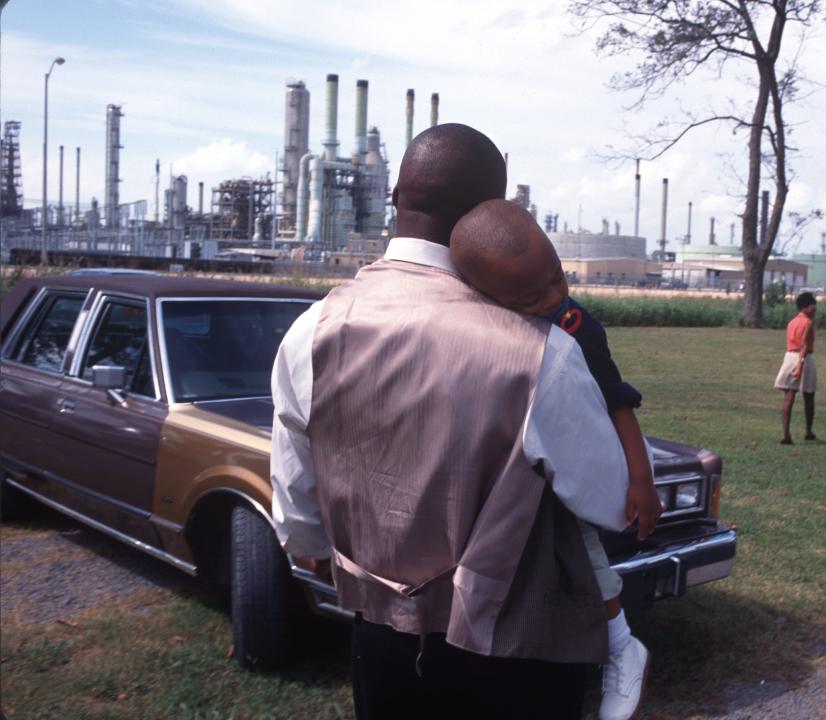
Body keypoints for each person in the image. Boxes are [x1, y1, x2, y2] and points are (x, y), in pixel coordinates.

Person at [270, 124, 649, 720]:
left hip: (382, 641)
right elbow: (605, 500)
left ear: (395, 197)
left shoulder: (311, 331)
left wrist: (321, 549)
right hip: (519, 651)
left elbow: (297, 501)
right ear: (491, 212)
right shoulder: (541, 351)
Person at [449, 198, 661, 720]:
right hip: (506, 472)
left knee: (583, 549)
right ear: (484, 295)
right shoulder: (478, 324)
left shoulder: (575, 325)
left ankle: (620, 644)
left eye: (557, 278)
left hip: (567, 464)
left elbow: (618, 401)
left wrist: (641, 480)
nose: (553, 297)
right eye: (531, 296)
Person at [774, 292, 818, 444]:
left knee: (789, 397)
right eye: (813, 305)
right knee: (809, 397)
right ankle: (808, 431)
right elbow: (804, 347)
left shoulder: (791, 322)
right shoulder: (808, 323)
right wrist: (800, 366)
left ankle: (785, 434)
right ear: (805, 307)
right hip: (804, 358)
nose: (815, 308)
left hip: (789, 357)